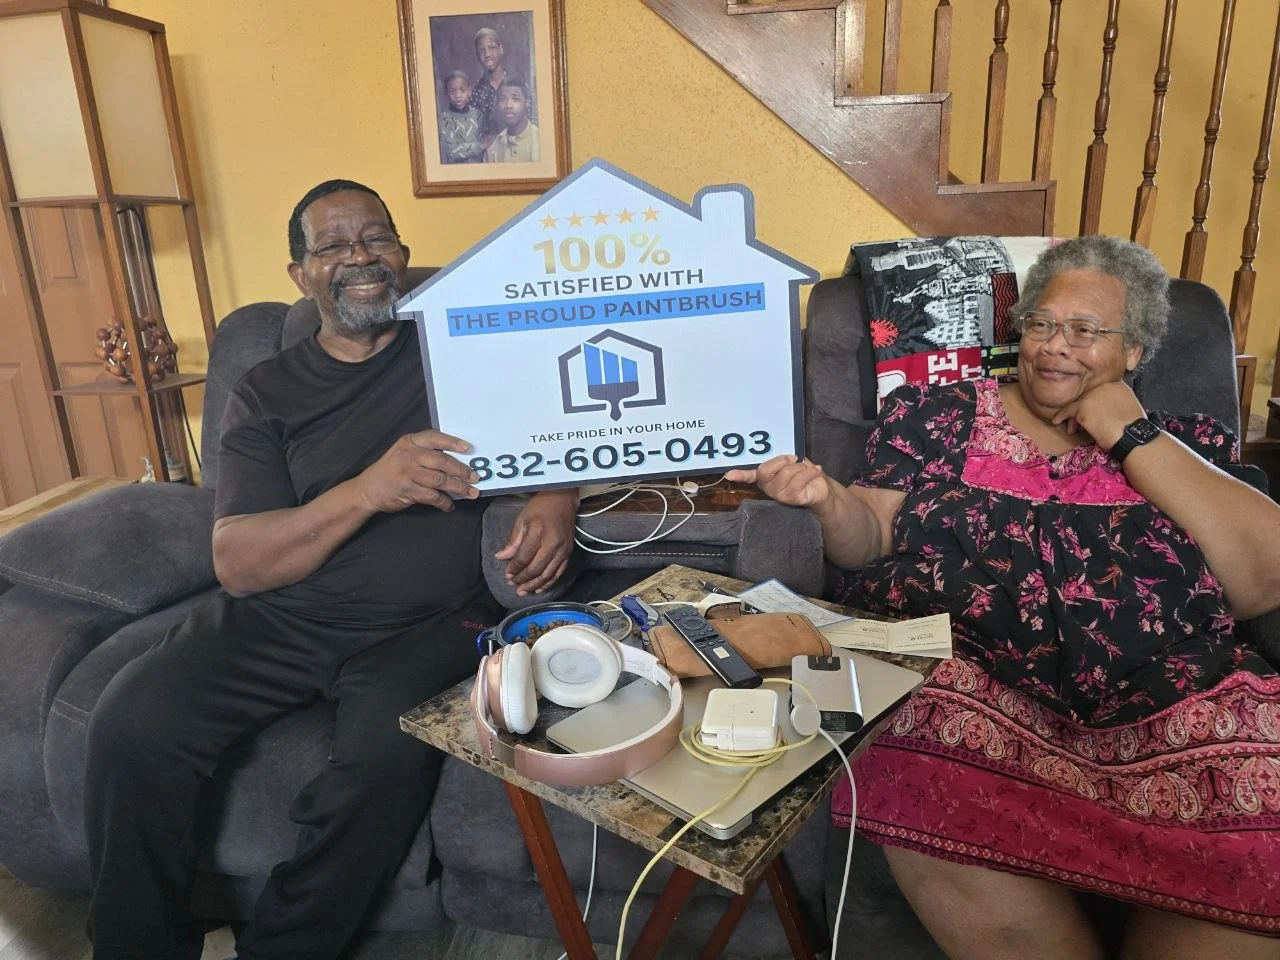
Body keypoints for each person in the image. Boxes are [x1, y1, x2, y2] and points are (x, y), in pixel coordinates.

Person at [728, 235, 1280, 959]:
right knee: (909, 724)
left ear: (1136, 351)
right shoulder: (940, 415)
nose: (1055, 347)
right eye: (1044, 324)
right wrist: (828, 498)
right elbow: (870, 537)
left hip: (1172, 707)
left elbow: (1261, 577)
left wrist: (1125, 428)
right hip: (978, 694)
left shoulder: (1176, 444)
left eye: (1087, 331)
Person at [83, 179, 580, 960]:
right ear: (300, 274)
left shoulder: (459, 349)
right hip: (283, 615)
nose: (360, 258)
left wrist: (559, 494)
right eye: (334, 246)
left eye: (376, 239)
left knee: (382, 761)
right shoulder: (266, 391)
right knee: (129, 722)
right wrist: (368, 491)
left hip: (428, 627)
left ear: (403, 257)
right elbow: (238, 564)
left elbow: (568, 406)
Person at [484, 76, 539, 163]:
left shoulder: (540, 141)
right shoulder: (493, 148)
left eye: (515, 99)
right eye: (502, 99)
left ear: (527, 102)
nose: (508, 105)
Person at [438, 68, 483, 163]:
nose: (458, 95)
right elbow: (452, 152)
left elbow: (486, 142)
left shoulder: (478, 115)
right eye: (452, 91)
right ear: (446, 94)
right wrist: (479, 146)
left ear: (469, 91)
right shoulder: (444, 119)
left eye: (462, 90)